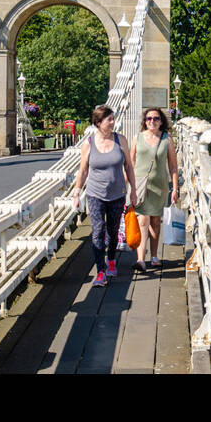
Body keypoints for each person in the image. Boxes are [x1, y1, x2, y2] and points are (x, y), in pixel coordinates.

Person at [72, 105, 137, 287]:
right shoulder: (89, 143)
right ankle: (100, 271)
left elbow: (129, 167)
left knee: (113, 231)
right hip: (95, 194)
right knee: (98, 232)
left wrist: (133, 192)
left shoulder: (120, 140)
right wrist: (77, 193)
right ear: (98, 123)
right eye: (109, 119)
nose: (113, 122)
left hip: (117, 193)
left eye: (113, 118)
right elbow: (83, 170)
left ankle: (111, 260)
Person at [130, 106, 178, 270]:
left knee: (156, 221)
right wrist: (129, 186)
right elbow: (130, 164)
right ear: (145, 121)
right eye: (149, 118)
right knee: (143, 220)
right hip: (140, 186)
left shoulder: (167, 139)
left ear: (161, 121)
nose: (152, 121)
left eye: (156, 118)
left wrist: (176, 189)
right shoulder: (137, 138)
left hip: (160, 186)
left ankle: (155, 255)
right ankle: (141, 259)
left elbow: (173, 166)